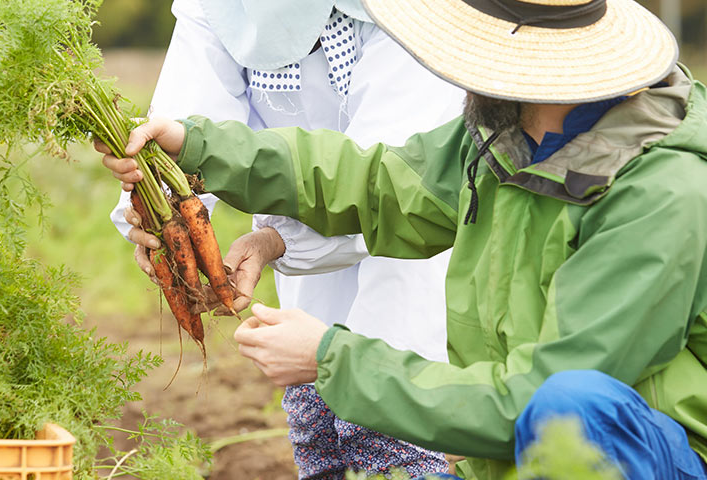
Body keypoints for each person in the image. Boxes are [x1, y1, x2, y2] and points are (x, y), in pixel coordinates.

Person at [100, 0, 707, 478]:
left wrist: (333, 359)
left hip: (635, 457)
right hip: (518, 456)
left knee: (571, 407)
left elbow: (536, 397)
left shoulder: (662, 192)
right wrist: (198, 145)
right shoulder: (509, 138)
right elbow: (378, 181)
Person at [109, 0, 463, 477]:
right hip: (306, 243)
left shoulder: (411, 13)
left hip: (418, 252)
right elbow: (184, 120)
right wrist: (156, 217)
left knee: (395, 413)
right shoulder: (219, 9)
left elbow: (393, 185)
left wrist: (276, 240)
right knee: (319, 413)